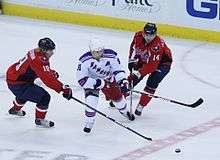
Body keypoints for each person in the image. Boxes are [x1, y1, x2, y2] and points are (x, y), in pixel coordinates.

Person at [6, 37, 72, 127]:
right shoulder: (40, 60)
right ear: (44, 50)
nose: (52, 53)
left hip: (15, 77)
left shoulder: (36, 52)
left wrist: (49, 72)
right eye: (50, 50)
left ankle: (15, 110)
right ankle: (39, 119)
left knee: (25, 95)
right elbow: (48, 80)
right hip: (18, 83)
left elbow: (36, 69)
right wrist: (63, 88)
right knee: (44, 97)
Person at [76, 38, 135, 133]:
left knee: (118, 100)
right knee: (91, 102)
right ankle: (89, 122)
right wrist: (99, 83)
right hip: (92, 82)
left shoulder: (112, 56)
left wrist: (122, 81)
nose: (98, 54)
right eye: (95, 52)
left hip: (109, 80)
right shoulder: (84, 61)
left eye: (100, 51)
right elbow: (82, 80)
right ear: (91, 50)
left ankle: (124, 111)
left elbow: (118, 70)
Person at [128, 22, 172, 116]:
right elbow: (133, 48)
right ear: (143, 33)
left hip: (162, 64)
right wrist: (131, 61)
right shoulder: (138, 36)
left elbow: (152, 66)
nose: (148, 37)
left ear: (155, 34)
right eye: (146, 34)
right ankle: (119, 99)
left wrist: (138, 73)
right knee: (131, 80)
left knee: (152, 82)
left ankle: (141, 105)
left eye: (151, 35)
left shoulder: (157, 45)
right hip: (145, 59)